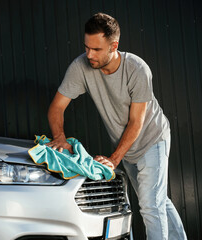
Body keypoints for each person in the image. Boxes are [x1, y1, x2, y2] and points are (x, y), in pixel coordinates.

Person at [46, 12, 187, 240]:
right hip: (125, 145)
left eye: (96, 49)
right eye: (86, 47)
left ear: (114, 46)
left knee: (151, 205)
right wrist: (59, 137)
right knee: (157, 200)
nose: (89, 54)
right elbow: (56, 107)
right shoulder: (80, 67)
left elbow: (137, 121)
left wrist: (114, 159)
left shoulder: (137, 69)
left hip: (152, 138)